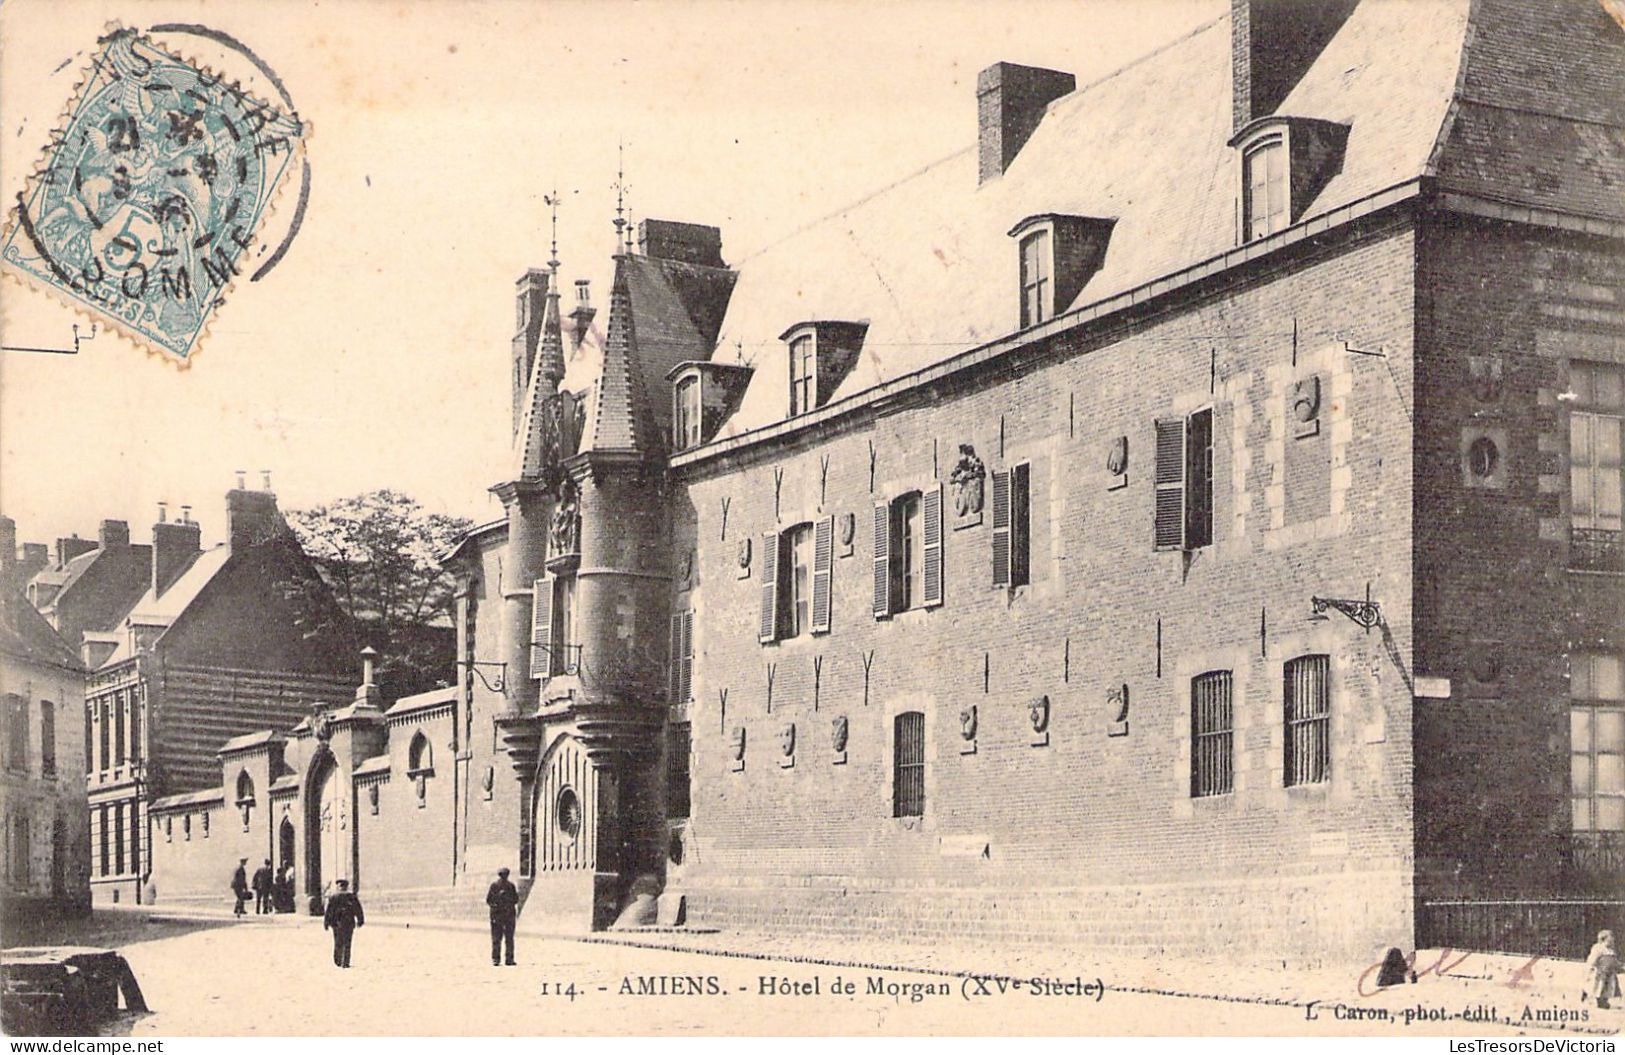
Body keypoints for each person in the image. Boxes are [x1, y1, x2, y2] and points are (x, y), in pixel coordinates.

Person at [323, 879, 365, 968]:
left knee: (338, 942)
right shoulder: (351, 897)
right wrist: (360, 920)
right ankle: (345, 962)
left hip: (336, 924)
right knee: (347, 942)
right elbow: (358, 909)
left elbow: (329, 912)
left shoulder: (334, 897)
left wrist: (326, 923)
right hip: (348, 923)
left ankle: (338, 960)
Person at [486, 866, 519, 966]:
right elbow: (516, 899)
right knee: (508, 938)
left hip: (498, 916)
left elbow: (489, 900)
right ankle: (508, 959)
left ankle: (497, 959)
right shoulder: (509, 886)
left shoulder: (495, 886)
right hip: (506, 916)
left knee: (497, 938)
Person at [1585, 930, 1622, 1010]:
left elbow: (1613, 961)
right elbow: (1593, 958)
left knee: (1609, 987)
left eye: (1612, 938)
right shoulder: (1598, 948)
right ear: (1604, 939)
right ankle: (1599, 1000)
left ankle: (1605, 1000)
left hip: (1610, 973)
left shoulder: (1611, 950)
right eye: (1610, 938)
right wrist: (1591, 966)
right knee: (1599, 986)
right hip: (1600, 972)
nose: (1612, 940)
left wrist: (1619, 966)